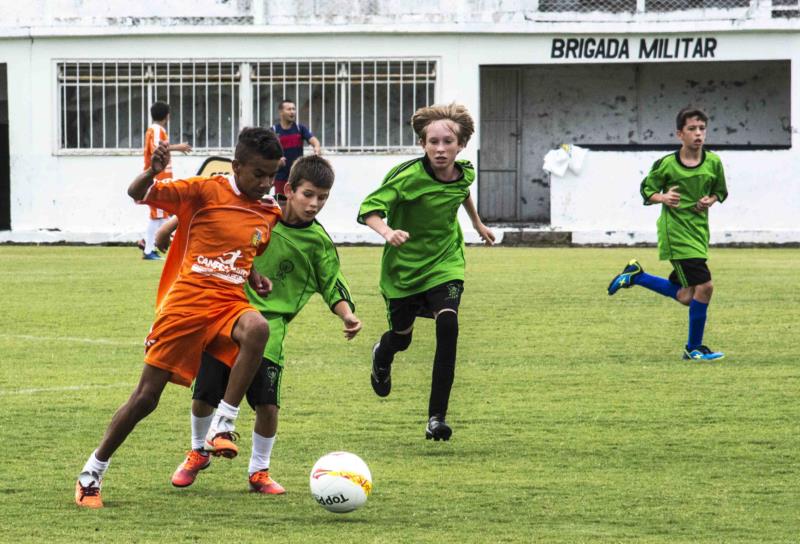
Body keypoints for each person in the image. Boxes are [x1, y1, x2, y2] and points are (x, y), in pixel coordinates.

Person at [74, 127, 283, 509]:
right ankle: (92, 472)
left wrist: (254, 276)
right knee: (145, 399)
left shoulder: (269, 210)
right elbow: (137, 194)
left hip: (227, 305)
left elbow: (243, 249)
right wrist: (152, 172)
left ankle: (223, 424)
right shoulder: (203, 190)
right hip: (185, 305)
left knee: (258, 327)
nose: (267, 183)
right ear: (236, 166)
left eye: (273, 174)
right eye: (259, 174)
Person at [167, 155, 361, 494]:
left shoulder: (318, 243)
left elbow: (333, 283)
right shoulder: (260, 215)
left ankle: (259, 471)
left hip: (270, 327)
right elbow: (212, 218)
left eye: (323, 198)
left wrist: (347, 314)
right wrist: (172, 227)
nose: (314, 204)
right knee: (203, 394)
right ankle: (198, 451)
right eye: (308, 194)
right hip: (227, 312)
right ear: (289, 190)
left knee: (268, 404)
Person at [358, 103, 495, 442]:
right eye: (433, 142)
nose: (440, 149)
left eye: (448, 142)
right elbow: (368, 210)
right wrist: (388, 232)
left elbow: (461, 192)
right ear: (422, 144)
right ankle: (383, 353)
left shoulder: (465, 171)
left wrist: (477, 223)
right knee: (401, 339)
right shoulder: (407, 178)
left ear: (460, 145)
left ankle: (437, 417)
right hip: (403, 271)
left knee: (448, 324)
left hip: (445, 262)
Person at [607, 107, 728, 361]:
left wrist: (710, 199)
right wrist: (663, 197)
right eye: (692, 129)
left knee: (687, 296)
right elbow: (646, 191)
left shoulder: (714, 162)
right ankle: (693, 348)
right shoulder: (667, 165)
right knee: (705, 287)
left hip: (697, 233)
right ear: (679, 134)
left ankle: (637, 276)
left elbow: (721, 192)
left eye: (702, 129)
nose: (698, 134)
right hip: (676, 235)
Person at [141, 101, 191, 260]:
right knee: (157, 214)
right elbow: (158, 148)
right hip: (158, 177)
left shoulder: (156, 129)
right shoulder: (156, 130)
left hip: (161, 176)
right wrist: (179, 147)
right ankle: (148, 249)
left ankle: (148, 244)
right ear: (166, 115)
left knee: (162, 215)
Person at [271, 99, 321, 201]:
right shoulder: (274, 131)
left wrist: (316, 149)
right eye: (289, 109)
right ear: (281, 112)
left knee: (298, 204)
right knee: (282, 205)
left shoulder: (300, 128)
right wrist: (276, 161)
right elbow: (266, 152)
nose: (292, 112)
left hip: (298, 176)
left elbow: (314, 141)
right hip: (280, 177)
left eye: (294, 109)